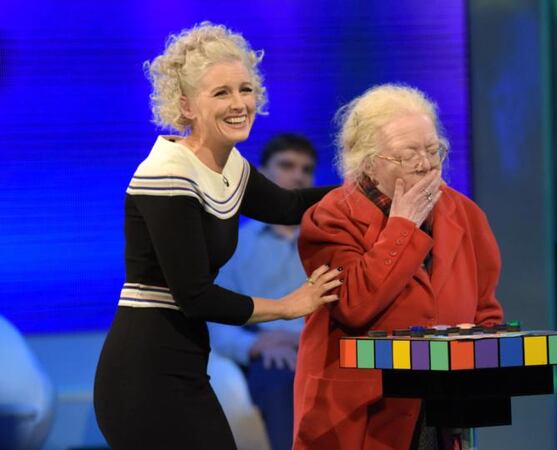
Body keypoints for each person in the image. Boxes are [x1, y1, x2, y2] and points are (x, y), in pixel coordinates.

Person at [93, 22, 341, 450]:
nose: (239, 103)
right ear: (186, 105)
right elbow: (195, 296)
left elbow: (288, 206)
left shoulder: (231, 167)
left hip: (185, 365)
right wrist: (288, 306)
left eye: (245, 89)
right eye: (221, 93)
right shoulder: (168, 171)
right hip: (144, 374)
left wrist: (367, 186)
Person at [292, 84, 505, 450]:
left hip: (441, 413)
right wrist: (402, 227)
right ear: (369, 164)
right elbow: (355, 305)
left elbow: (485, 313)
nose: (425, 163)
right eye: (409, 154)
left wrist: (473, 389)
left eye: (432, 149)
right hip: (360, 416)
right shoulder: (329, 217)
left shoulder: (466, 215)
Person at [209, 133, 319, 450]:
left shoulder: (328, 241)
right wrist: (256, 344)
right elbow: (217, 321)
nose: (298, 175)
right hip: (265, 355)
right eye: (287, 165)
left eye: (306, 169)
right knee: (281, 378)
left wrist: (299, 340)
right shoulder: (235, 245)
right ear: (263, 174)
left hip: (317, 346)